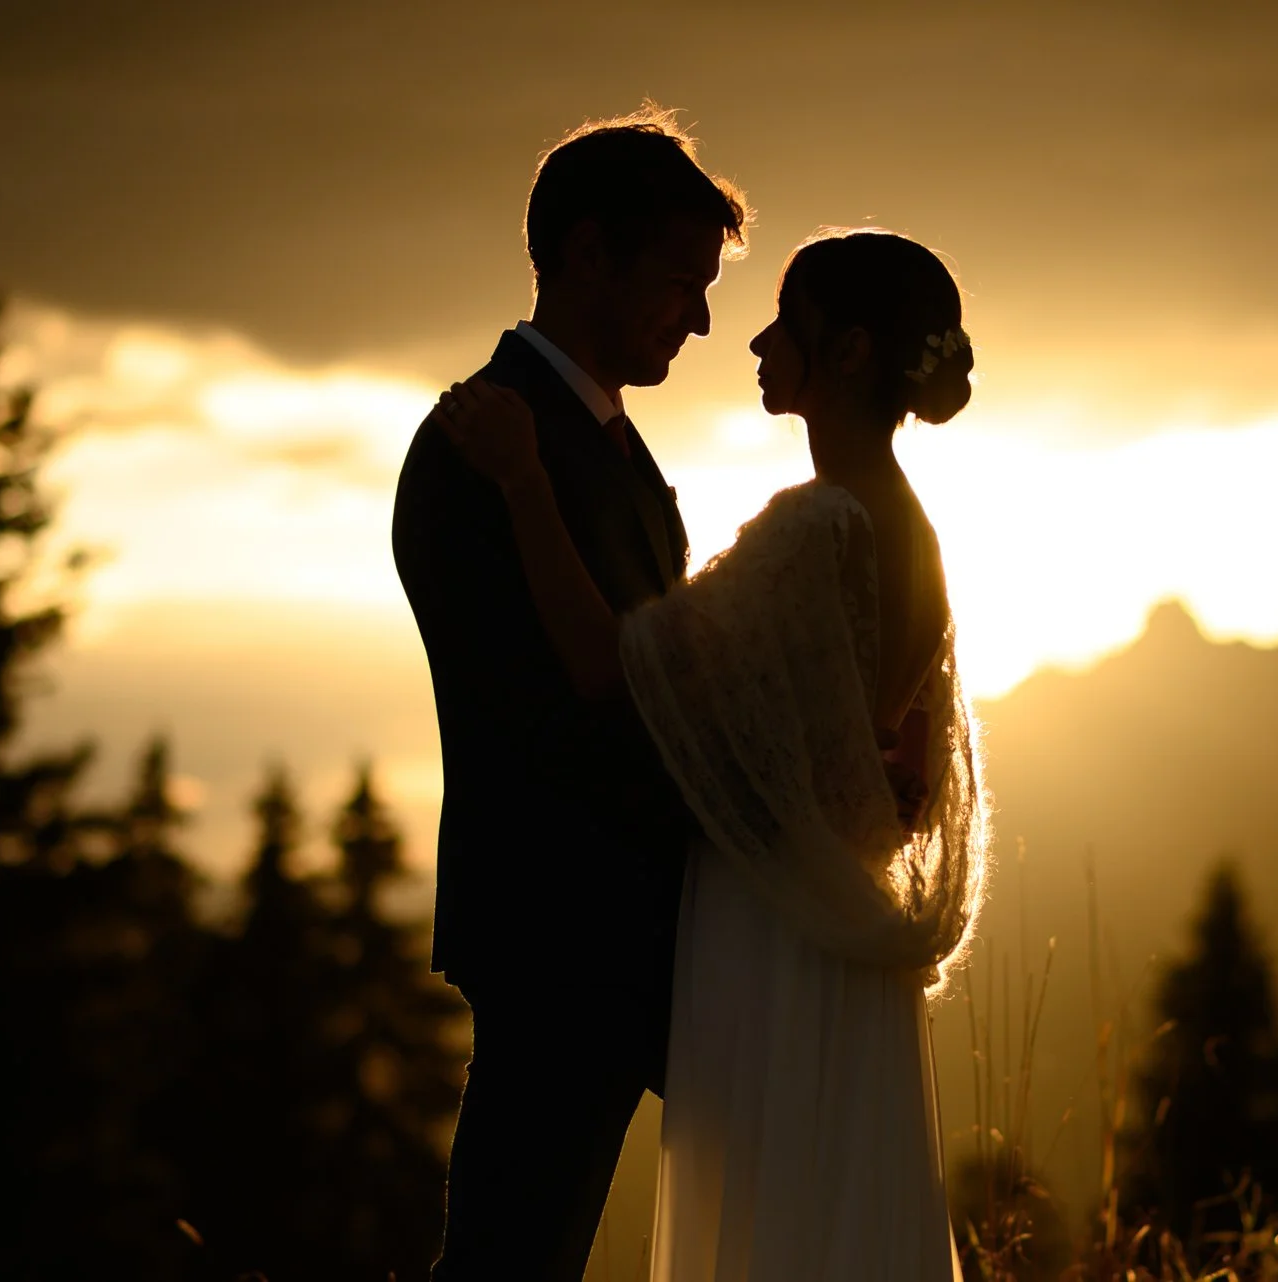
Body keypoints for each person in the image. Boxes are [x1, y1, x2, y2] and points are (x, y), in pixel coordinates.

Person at [436, 228, 991, 1281]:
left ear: (849, 353)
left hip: (768, 928)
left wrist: (523, 482)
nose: (758, 341)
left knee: (765, 1226)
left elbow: (609, 668)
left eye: (788, 321)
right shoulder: (913, 533)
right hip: (835, 928)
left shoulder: (816, 529)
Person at [390, 108, 747, 1281]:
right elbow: (551, 707)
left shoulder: (609, 447)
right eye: (682, 283)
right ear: (589, 254)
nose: (701, 320)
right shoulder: (481, 445)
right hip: (558, 926)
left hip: (627, 928)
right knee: (510, 1258)